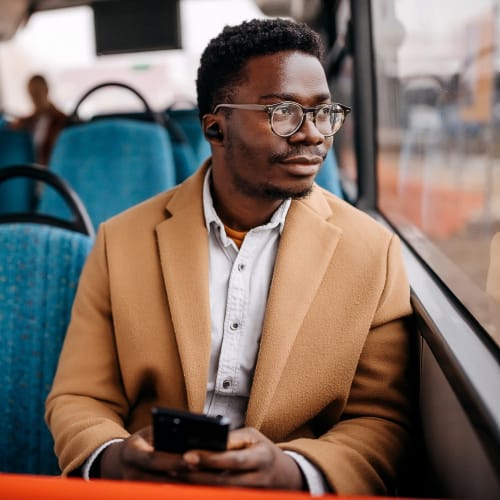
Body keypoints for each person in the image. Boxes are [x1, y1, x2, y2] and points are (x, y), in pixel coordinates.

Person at [46, 18, 414, 495]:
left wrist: (294, 471)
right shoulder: (121, 241)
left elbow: (381, 418)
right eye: (283, 112)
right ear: (217, 128)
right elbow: (79, 396)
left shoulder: (374, 252)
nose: (312, 134)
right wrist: (116, 458)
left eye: (323, 113)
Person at [10, 74, 66, 165]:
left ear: (46, 90)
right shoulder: (26, 122)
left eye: (37, 93)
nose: (34, 99)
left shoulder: (62, 121)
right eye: (31, 94)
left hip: (52, 171)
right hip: (31, 171)